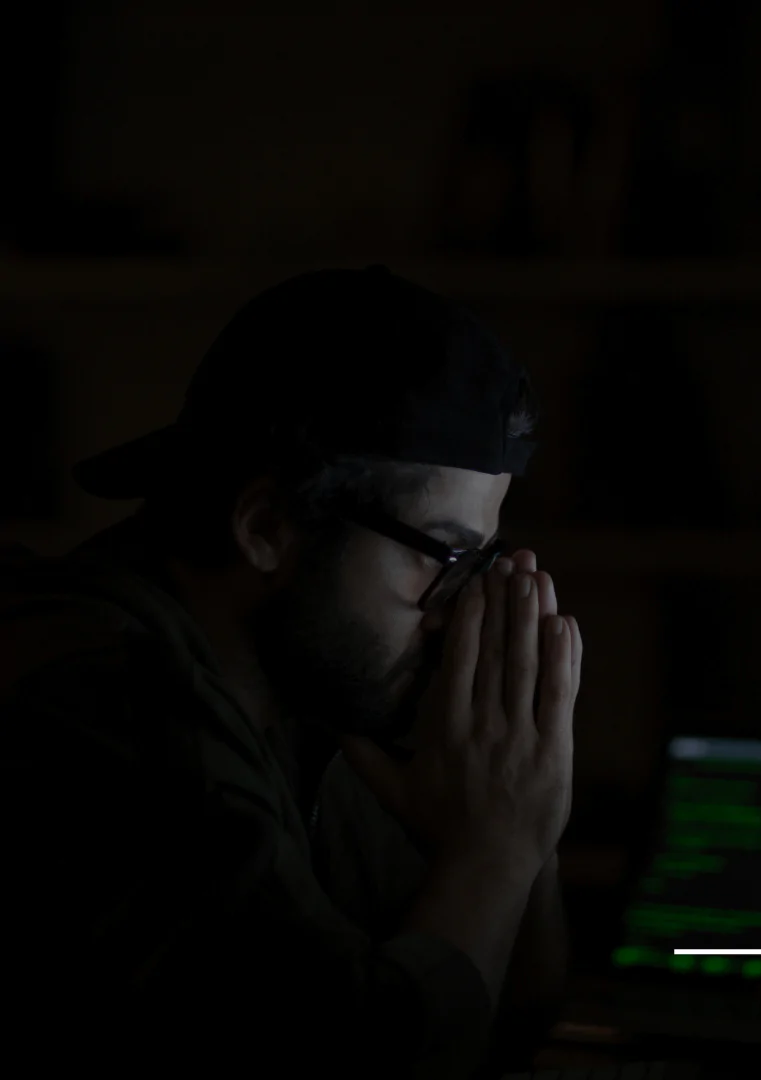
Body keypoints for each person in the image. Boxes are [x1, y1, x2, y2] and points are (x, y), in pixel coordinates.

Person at [0, 267, 581, 1076]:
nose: (461, 610)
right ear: (269, 527)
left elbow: (508, 1022)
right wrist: (494, 851)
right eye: (445, 557)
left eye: (479, 563)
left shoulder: (315, 691)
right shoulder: (101, 703)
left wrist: (524, 808)